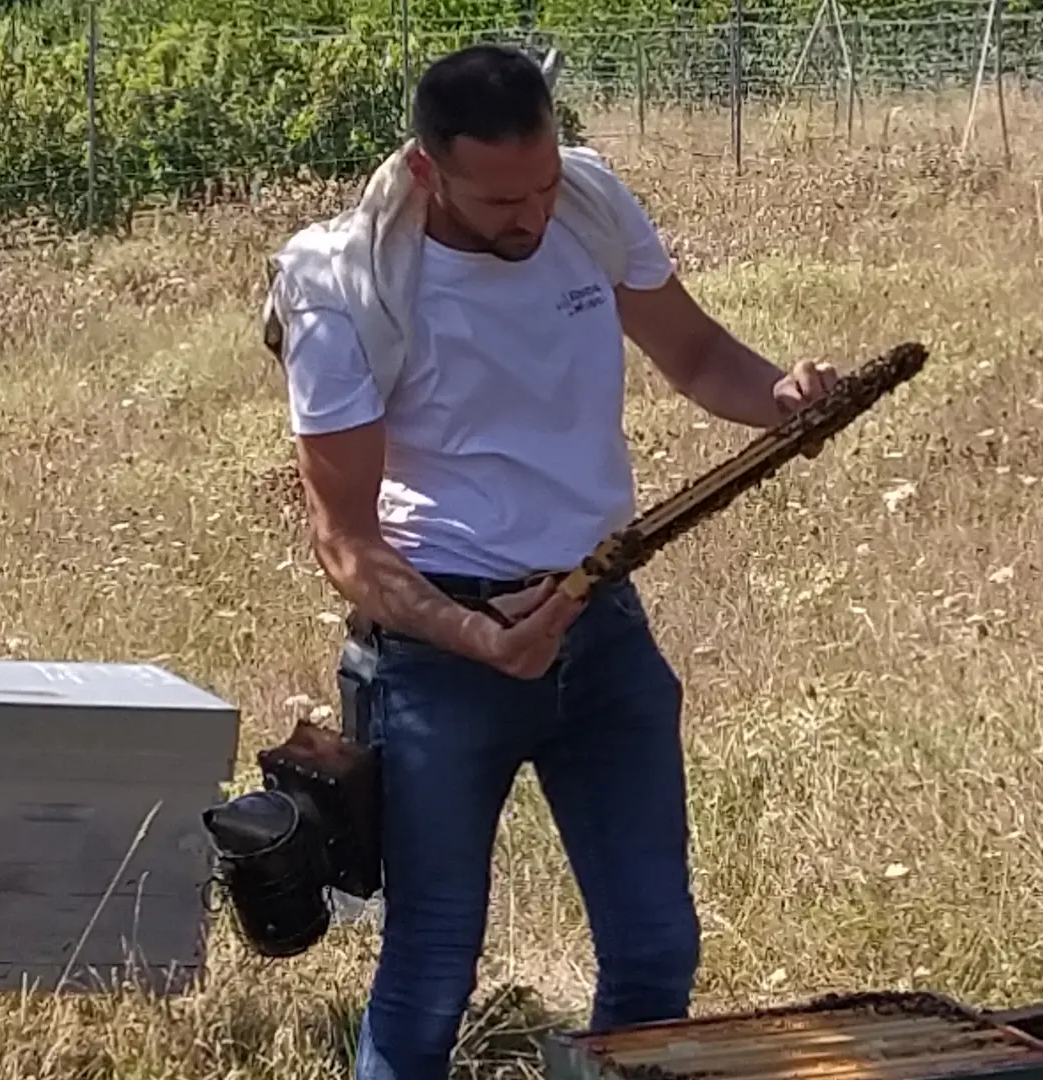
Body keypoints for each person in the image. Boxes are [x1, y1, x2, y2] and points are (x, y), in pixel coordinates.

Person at [271, 41, 840, 1080]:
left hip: (603, 629)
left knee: (658, 951)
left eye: (542, 183)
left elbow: (700, 355)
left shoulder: (586, 202)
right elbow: (343, 539)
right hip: (440, 654)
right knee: (433, 967)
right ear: (429, 169)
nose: (530, 216)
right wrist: (476, 636)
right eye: (500, 201)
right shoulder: (342, 283)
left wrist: (783, 398)